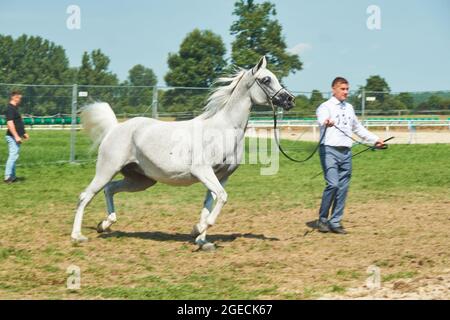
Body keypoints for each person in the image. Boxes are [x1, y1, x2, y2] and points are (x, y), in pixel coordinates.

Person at [316, 77, 384, 234]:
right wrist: (326, 122)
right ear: (334, 89)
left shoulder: (349, 108)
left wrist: (375, 140)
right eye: (342, 89)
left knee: (343, 188)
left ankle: (335, 221)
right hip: (329, 149)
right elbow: (321, 119)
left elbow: (358, 128)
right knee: (333, 184)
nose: (346, 92)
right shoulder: (325, 107)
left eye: (347, 89)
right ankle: (323, 219)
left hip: (346, 151)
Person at [4, 91, 29, 183]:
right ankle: (7, 177)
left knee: (14, 156)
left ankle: (13, 176)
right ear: (15, 98)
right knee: (12, 156)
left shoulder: (14, 108)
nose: (20, 100)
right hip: (12, 137)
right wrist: (16, 136)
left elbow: (18, 123)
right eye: (19, 98)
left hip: (15, 136)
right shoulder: (10, 108)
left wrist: (23, 133)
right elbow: (10, 124)